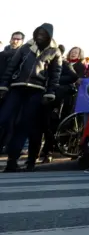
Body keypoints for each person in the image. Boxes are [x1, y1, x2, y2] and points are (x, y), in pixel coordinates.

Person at [0, 24, 61, 172]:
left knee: (24, 125)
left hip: (37, 90)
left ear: (49, 35)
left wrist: (50, 92)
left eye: (43, 34)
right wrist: (4, 85)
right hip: (17, 87)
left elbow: (55, 74)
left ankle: (12, 161)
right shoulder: (26, 47)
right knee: (3, 119)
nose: (40, 36)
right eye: (38, 33)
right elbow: (12, 66)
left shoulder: (54, 51)